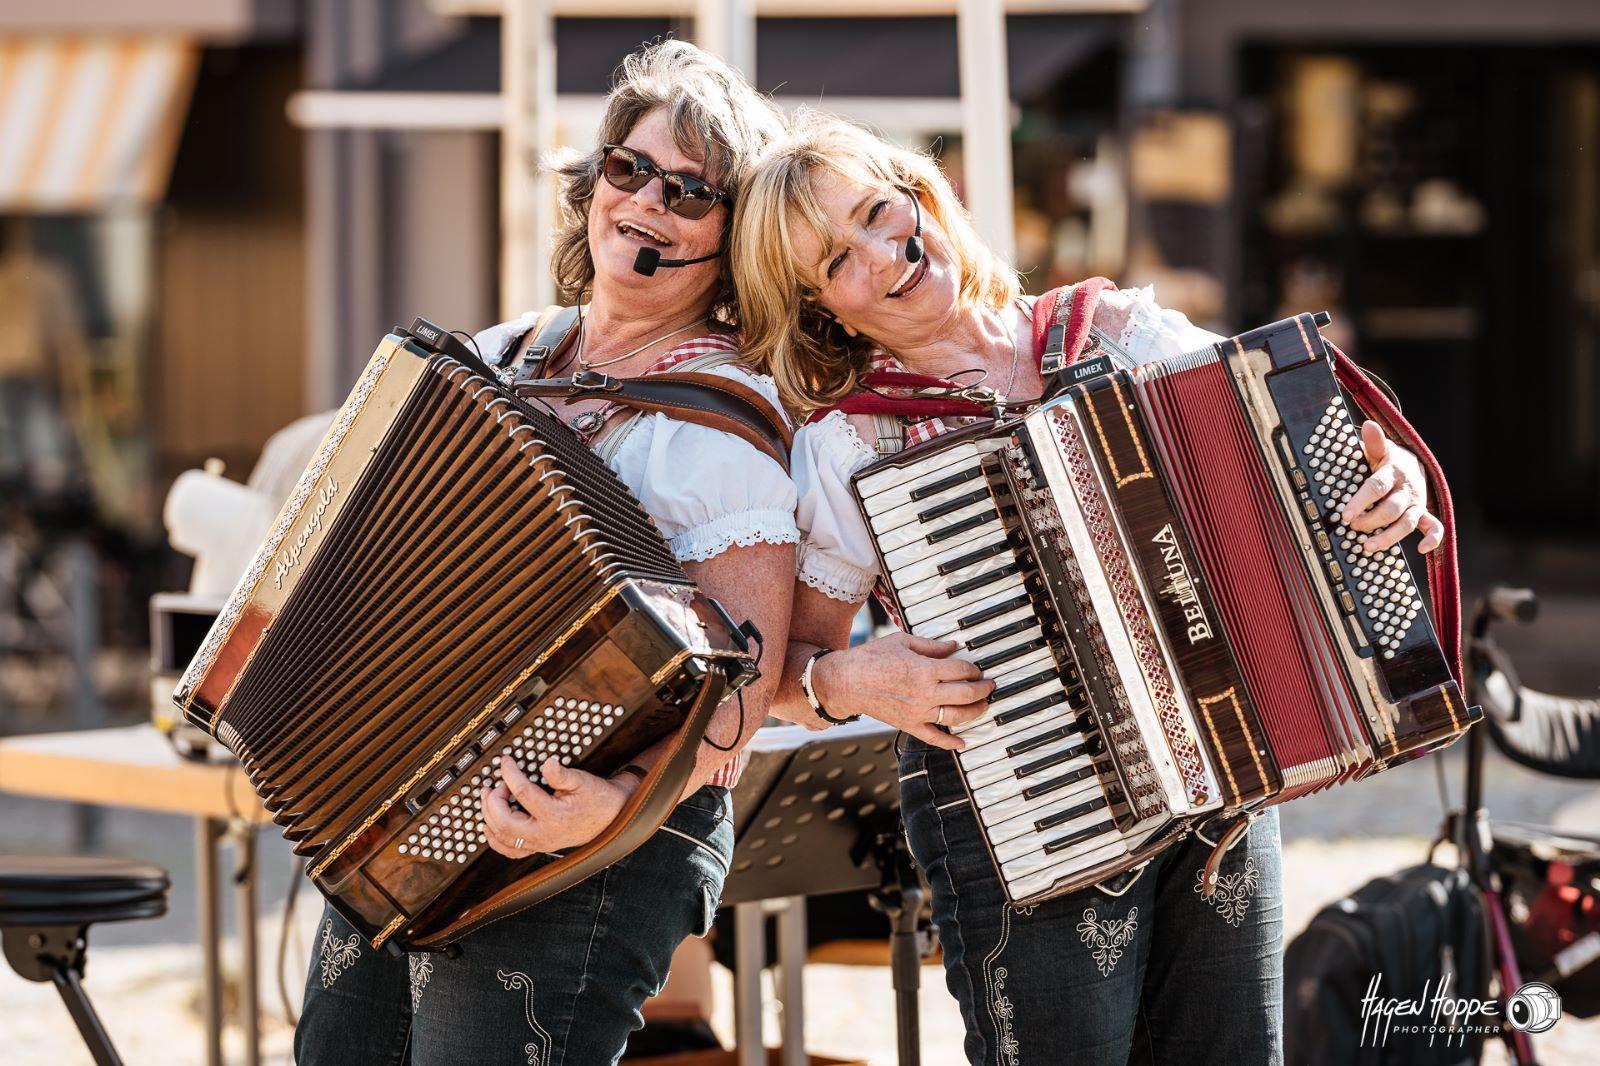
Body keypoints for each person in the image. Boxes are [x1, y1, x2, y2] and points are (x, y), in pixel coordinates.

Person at [731, 114, 1446, 1066]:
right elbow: (785, 671)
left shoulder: (1120, 331)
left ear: (922, 198)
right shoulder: (849, 444)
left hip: (1223, 784)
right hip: (1025, 805)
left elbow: (1299, 441)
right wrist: (855, 683)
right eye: (840, 260)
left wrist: (1385, 477)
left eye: (878, 212)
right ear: (827, 313)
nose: (885, 253)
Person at [295, 41, 794, 1066]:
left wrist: (612, 806)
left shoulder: (723, 430)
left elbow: (741, 699)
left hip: (600, 842)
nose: (646, 202)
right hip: (413, 798)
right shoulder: (501, 354)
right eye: (629, 169)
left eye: (690, 191)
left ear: (731, 237)